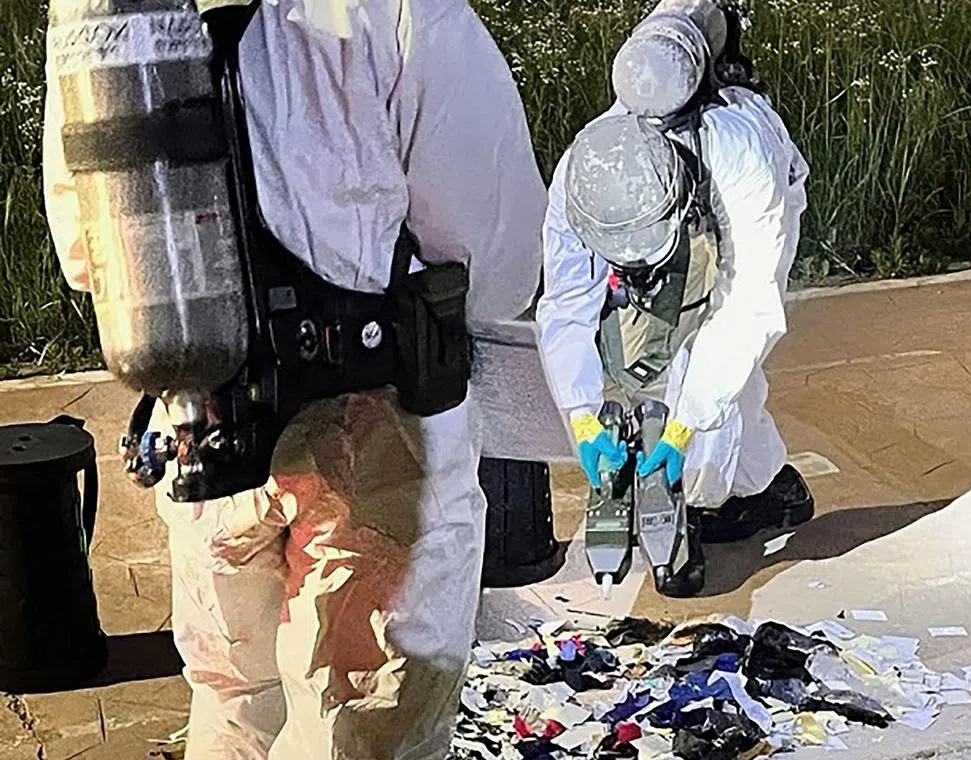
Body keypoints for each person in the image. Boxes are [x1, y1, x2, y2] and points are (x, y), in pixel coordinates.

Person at [42, 0, 547, 757]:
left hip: (200, 424)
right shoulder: (401, 9)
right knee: (364, 729)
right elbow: (495, 254)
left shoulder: (107, 16)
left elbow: (87, 259)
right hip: (375, 444)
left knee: (234, 699)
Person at [536, 3, 815, 598]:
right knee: (657, 356)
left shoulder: (741, 154)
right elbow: (566, 304)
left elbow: (747, 305)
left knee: (713, 370)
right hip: (671, 206)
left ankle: (710, 496)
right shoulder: (581, 174)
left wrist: (683, 428)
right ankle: (768, 484)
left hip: (753, 209)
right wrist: (583, 416)